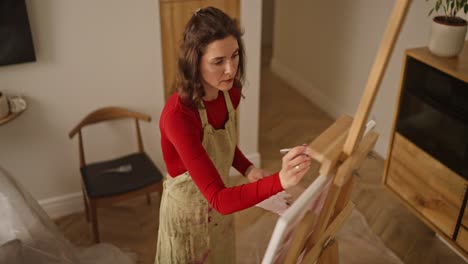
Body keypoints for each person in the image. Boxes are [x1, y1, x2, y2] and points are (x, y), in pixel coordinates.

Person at [155, 7, 312, 264]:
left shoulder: (229, 92)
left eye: (235, 56)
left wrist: (248, 168)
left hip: (219, 214)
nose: (230, 70)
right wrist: (280, 180)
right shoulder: (178, 117)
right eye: (218, 62)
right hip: (188, 219)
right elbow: (219, 199)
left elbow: (222, 144)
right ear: (194, 62)